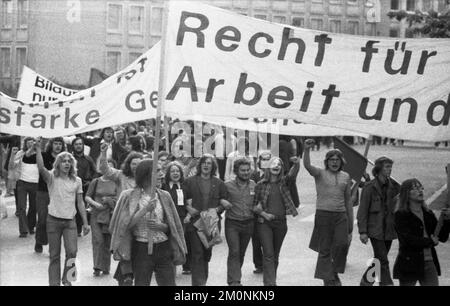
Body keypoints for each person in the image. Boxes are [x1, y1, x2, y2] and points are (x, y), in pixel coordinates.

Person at [109, 159, 186, 286]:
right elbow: (124, 227)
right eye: (158, 171)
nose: (162, 174)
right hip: (142, 249)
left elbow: (173, 226)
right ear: (146, 174)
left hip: (163, 248)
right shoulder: (129, 196)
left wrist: (162, 227)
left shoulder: (165, 196)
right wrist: (145, 210)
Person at [35, 137, 90, 286]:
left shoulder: (77, 180)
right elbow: (40, 168)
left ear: (72, 164)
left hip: (70, 222)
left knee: (72, 252)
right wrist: (38, 149)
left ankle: (68, 280)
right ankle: (54, 283)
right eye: (64, 161)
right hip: (53, 221)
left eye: (69, 161)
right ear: (58, 164)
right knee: (54, 255)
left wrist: (85, 223)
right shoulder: (52, 177)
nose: (66, 163)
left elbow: (80, 202)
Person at [304, 139, 352, 286]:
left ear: (341, 162)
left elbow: (348, 200)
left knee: (342, 244)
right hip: (323, 215)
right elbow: (307, 165)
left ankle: (333, 272)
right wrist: (306, 150)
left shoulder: (346, 176)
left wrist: (351, 222)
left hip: (341, 216)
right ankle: (329, 278)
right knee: (325, 248)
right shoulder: (320, 173)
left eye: (337, 160)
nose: (335, 162)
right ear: (327, 161)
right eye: (332, 159)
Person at [98, 143, 143, 285]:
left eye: (139, 164)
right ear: (129, 164)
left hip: (140, 218)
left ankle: (122, 276)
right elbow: (104, 169)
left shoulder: (146, 180)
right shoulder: (121, 176)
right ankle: (128, 275)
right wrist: (104, 153)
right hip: (122, 218)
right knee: (124, 246)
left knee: (135, 250)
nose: (135, 166)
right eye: (133, 163)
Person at [253, 155, 300, 286]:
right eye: (273, 164)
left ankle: (271, 279)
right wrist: (264, 214)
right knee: (268, 254)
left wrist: (296, 164)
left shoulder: (284, 182)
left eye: (279, 164)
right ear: (268, 167)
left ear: (282, 168)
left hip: (281, 223)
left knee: (275, 255)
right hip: (264, 224)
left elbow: (292, 175)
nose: (276, 166)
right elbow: (254, 206)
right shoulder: (260, 185)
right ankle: (270, 283)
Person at [393, 178, 450, 286]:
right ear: (407, 193)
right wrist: (429, 241)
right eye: (415, 188)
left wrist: (447, 221)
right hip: (409, 263)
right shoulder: (401, 215)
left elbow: (442, 237)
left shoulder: (428, 213)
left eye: (421, 188)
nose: (420, 191)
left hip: (429, 261)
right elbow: (407, 240)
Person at [183, 154, 229, 286]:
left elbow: (224, 201)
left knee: (206, 253)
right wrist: (188, 208)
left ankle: (202, 280)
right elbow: (182, 199)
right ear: (200, 165)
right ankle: (199, 284)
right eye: (204, 162)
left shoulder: (219, 183)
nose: (206, 165)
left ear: (213, 166)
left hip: (211, 222)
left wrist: (218, 210)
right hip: (194, 223)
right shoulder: (190, 181)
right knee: (197, 253)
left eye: (209, 163)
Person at [357, 156, 400, 286]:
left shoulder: (394, 187)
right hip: (375, 230)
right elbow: (362, 211)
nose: (390, 169)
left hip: (388, 230)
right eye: (387, 167)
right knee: (383, 260)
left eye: (390, 167)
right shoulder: (369, 187)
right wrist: (363, 231)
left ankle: (365, 282)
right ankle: (387, 284)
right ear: (379, 168)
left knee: (379, 260)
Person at [224, 157, 256, 286]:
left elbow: (258, 202)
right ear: (236, 171)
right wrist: (222, 202)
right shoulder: (227, 185)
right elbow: (219, 198)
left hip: (248, 223)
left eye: (248, 170)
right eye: (243, 170)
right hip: (232, 223)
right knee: (234, 251)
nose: (246, 172)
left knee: (241, 253)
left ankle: (235, 276)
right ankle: (234, 281)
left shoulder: (254, 185)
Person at [85, 159, 118, 277]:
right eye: (106, 167)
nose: (108, 169)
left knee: (107, 242)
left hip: (110, 215)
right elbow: (87, 197)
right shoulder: (96, 181)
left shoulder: (117, 183)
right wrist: (95, 204)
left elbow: (120, 198)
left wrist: (110, 201)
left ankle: (106, 267)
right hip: (96, 214)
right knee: (98, 240)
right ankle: (97, 266)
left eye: (111, 167)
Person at [34, 137, 66, 253]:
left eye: (60, 144)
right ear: (51, 145)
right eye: (55, 144)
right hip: (43, 191)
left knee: (55, 220)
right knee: (42, 219)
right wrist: (37, 148)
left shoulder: (65, 158)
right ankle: (39, 240)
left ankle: (53, 245)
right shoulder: (44, 155)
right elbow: (39, 166)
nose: (58, 146)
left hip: (58, 192)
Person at [161, 161, 192, 275]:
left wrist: (189, 216)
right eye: (172, 171)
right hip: (166, 220)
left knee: (178, 243)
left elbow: (189, 204)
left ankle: (179, 264)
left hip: (181, 220)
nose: (175, 173)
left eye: (177, 171)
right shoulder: (163, 187)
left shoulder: (185, 187)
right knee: (167, 244)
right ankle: (169, 268)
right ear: (168, 173)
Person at [10, 138, 39, 238]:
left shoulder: (38, 153)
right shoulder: (21, 153)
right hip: (22, 182)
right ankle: (23, 230)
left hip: (35, 183)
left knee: (34, 207)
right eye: (28, 142)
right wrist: (13, 154)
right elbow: (12, 166)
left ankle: (30, 226)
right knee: (21, 207)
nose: (30, 144)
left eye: (32, 142)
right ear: (25, 143)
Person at [250, 150, 272, 274]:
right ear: (259, 161)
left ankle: (269, 262)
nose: (265, 161)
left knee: (269, 241)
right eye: (263, 159)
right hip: (255, 213)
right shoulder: (254, 175)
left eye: (268, 159)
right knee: (256, 240)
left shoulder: (275, 174)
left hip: (270, 212)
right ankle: (259, 264)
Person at [71, 137, 98, 236]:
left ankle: (78, 229)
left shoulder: (88, 159)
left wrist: (90, 182)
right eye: (76, 144)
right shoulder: (70, 158)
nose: (78, 146)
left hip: (84, 187)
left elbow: (95, 172)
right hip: (71, 186)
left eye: (80, 144)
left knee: (80, 208)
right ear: (73, 146)